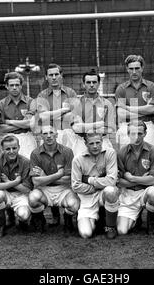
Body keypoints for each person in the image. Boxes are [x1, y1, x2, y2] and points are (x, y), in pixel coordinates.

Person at [35, 63, 78, 223]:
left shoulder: (71, 92)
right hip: (49, 134)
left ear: (61, 75)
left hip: (68, 134)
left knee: (70, 169)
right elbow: (43, 117)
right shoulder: (42, 95)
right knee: (49, 168)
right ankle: (54, 213)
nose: (53, 77)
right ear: (46, 77)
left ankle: (70, 211)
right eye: (50, 75)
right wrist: (61, 112)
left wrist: (51, 114)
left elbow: (71, 116)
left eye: (56, 74)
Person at [28, 125, 79, 233]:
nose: (49, 136)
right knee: (32, 199)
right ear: (41, 136)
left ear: (56, 134)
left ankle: (68, 220)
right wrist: (58, 174)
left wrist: (45, 176)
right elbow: (35, 181)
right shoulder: (35, 153)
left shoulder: (67, 152)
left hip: (63, 189)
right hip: (44, 189)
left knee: (74, 205)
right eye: (45, 133)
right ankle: (39, 220)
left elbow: (69, 179)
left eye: (51, 133)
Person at [116, 121, 154, 235]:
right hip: (129, 194)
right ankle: (136, 219)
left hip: (146, 192)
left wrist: (132, 178)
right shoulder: (121, 153)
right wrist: (141, 180)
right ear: (128, 134)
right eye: (132, 134)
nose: (136, 137)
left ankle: (151, 223)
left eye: (140, 133)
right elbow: (119, 182)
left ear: (145, 133)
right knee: (122, 231)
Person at [71, 132, 120, 239]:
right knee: (86, 233)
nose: (95, 146)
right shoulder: (78, 159)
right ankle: (99, 219)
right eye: (91, 143)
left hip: (103, 193)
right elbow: (75, 186)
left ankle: (110, 227)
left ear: (102, 141)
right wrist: (95, 187)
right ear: (85, 144)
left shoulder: (110, 153)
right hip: (86, 197)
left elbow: (112, 181)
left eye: (98, 142)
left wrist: (89, 179)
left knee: (111, 191)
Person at [0, 134, 32, 237]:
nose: (11, 151)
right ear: (2, 149)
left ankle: (22, 222)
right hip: (5, 192)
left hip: (20, 194)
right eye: (8, 149)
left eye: (14, 148)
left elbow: (26, 189)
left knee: (24, 215)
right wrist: (15, 182)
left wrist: (6, 181)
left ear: (19, 147)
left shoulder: (25, 162)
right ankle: (0, 226)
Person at [115, 54, 154, 149]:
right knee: (126, 159)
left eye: (137, 68)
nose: (134, 72)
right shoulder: (121, 89)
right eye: (131, 69)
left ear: (142, 68)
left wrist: (129, 109)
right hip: (127, 126)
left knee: (150, 156)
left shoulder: (151, 86)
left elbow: (152, 109)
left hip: (147, 125)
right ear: (127, 69)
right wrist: (144, 110)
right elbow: (122, 114)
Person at [71, 69, 116, 156]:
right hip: (82, 141)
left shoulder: (107, 104)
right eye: (88, 82)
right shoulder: (76, 104)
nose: (91, 85)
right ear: (84, 84)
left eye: (94, 82)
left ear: (99, 83)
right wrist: (99, 124)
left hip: (102, 141)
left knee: (110, 157)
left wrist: (85, 127)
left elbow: (110, 129)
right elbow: (76, 128)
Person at [0, 71, 37, 159]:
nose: (14, 88)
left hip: (27, 138)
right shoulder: (1, 104)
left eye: (17, 85)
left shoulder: (31, 101)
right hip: (8, 140)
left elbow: (29, 124)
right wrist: (22, 124)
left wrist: (9, 122)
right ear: (7, 86)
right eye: (11, 85)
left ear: (21, 86)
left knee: (29, 167)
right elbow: (0, 128)